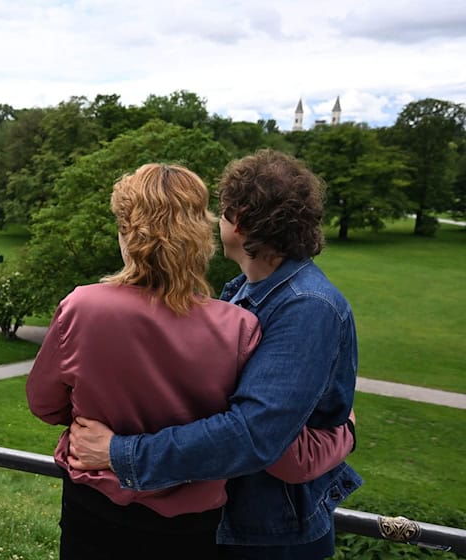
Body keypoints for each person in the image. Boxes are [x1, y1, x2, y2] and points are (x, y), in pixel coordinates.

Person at [27, 163, 354, 559]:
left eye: (223, 209)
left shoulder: (305, 307)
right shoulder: (240, 308)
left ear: (241, 224)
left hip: (267, 534)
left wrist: (115, 450)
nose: (214, 219)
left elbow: (257, 438)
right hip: (209, 521)